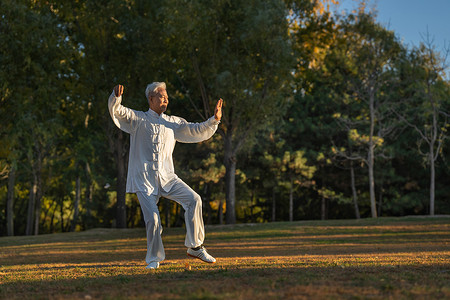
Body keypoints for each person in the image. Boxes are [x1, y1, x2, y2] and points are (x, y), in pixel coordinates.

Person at [108, 82, 223, 269]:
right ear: (151, 99)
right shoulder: (138, 119)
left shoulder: (173, 122)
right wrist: (116, 98)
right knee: (153, 220)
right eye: (162, 96)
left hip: (167, 177)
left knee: (194, 200)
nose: (166, 99)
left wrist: (214, 120)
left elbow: (195, 129)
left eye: (167, 97)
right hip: (144, 180)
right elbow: (118, 112)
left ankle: (195, 246)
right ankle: (153, 259)